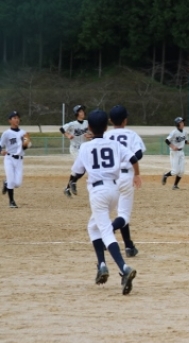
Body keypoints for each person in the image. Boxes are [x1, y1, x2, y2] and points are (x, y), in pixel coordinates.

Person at [70, 109, 141, 295]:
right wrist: (137, 174)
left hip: (98, 192)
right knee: (93, 227)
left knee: (106, 232)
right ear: (106, 127)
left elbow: (77, 171)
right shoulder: (114, 144)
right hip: (114, 190)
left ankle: (124, 268)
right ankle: (101, 264)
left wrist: (71, 182)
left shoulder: (85, 147)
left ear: (89, 127)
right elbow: (134, 158)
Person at [107, 105, 146, 257]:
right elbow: (138, 154)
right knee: (123, 214)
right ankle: (108, 231)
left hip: (109, 177)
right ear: (125, 120)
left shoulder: (106, 135)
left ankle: (129, 246)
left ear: (111, 120)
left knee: (117, 212)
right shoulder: (131, 134)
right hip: (125, 176)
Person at [1, 111, 31, 208]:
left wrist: (26, 143)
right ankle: (11, 202)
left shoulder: (24, 133)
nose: (16, 119)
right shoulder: (6, 133)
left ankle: (6, 183)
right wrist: (1, 151)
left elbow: (25, 147)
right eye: (14, 118)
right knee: (11, 181)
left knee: (17, 183)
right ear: (9, 121)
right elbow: (0, 145)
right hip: (9, 159)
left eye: (17, 118)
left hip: (19, 160)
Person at [61, 104, 89, 197]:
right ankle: (72, 183)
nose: (82, 112)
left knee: (80, 169)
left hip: (84, 149)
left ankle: (67, 188)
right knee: (81, 166)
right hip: (75, 149)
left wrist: (90, 136)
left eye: (83, 111)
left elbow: (92, 132)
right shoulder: (72, 124)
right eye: (80, 111)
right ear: (76, 113)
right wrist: (68, 135)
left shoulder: (87, 123)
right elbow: (62, 129)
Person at [162, 117, 189, 190]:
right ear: (177, 124)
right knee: (175, 171)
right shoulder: (174, 132)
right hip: (174, 153)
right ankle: (165, 175)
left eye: (183, 122)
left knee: (181, 171)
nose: (183, 123)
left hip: (181, 152)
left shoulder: (184, 132)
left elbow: (184, 141)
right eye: (181, 122)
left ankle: (175, 186)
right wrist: (172, 146)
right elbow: (167, 140)